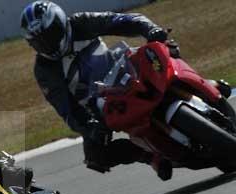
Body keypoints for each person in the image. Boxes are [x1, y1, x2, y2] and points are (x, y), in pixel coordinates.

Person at [20, 1, 173, 180]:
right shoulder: (45, 69)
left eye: (51, 35)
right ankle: (152, 157)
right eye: (40, 42)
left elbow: (124, 20)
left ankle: (213, 90)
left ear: (61, 23)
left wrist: (150, 30)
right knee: (96, 157)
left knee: (168, 52)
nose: (48, 44)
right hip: (98, 102)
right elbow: (66, 109)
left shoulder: (81, 23)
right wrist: (89, 127)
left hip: (124, 66)